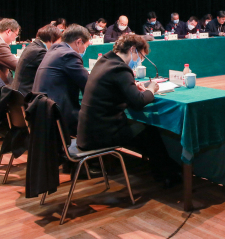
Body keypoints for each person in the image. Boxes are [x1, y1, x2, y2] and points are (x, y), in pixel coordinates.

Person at [77, 34, 181, 187]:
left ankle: (166, 171)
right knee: (150, 132)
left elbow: (116, 88)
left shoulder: (105, 61)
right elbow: (138, 102)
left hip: (88, 130)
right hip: (102, 134)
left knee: (144, 132)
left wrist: (132, 86)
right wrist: (151, 89)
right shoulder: (120, 68)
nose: (140, 61)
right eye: (141, 56)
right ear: (133, 49)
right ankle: (168, 176)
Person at [33, 25, 90, 136]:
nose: (84, 50)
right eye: (86, 46)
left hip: (43, 112)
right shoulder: (69, 55)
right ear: (78, 42)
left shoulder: (54, 49)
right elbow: (88, 84)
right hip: (58, 116)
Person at [11, 25, 62, 96]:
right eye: (58, 43)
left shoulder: (33, 46)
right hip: (24, 96)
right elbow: (55, 70)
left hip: (19, 92)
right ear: (51, 40)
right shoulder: (39, 51)